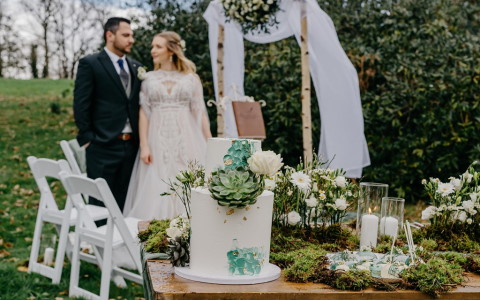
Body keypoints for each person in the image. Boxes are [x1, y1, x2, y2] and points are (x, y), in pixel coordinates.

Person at [124, 31, 212, 220]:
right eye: (152, 46)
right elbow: (144, 113)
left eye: (158, 46)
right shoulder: (148, 79)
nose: (152, 50)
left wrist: (209, 141)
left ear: (171, 50)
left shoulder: (191, 78)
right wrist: (145, 145)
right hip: (158, 139)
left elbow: (199, 112)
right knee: (159, 182)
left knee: (186, 179)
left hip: (186, 137)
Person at [73, 17, 143, 212]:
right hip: (102, 147)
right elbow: (81, 103)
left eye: (132, 35)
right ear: (110, 35)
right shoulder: (90, 63)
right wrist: (88, 138)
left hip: (132, 146)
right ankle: (99, 243)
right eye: (126, 35)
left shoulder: (136, 67)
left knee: (126, 204)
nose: (131, 40)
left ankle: (120, 243)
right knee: (100, 205)